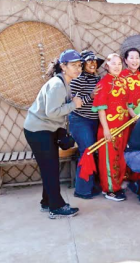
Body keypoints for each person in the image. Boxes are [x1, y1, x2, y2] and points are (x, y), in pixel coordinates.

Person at [24, 49, 83, 219]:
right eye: (73, 65)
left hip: (44, 129)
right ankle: (56, 207)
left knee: (49, 168)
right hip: (38, 130)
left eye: (79, 65)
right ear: (63, 66)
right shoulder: (58, 84)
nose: (78, 69)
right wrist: (74, 105)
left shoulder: (65, 82)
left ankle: (47, 202)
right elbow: (51, 112)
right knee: (50, 168)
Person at [92, 53, 131, 202]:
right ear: (107, 66)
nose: (117, 66)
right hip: (109, 128)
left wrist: (134, 117)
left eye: (119, 63)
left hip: (123, 127)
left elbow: (127, 104)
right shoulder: (103, 83)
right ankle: (109, 189)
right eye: (113, 63)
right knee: (108, 159)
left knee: (120, 158)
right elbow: (101, 109)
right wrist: (106, 130)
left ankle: (117, 184)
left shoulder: (123, 81)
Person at [68, 50, 104, 199]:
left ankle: (90, 185)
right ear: (82, 65)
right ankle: (82, 190)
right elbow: (71, 104)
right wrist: (90, 96)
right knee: (87, 152)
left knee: (93, 152)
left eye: (94, 61)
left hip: (95, 120)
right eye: (89, 61)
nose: (93, 64)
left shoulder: (98, 79)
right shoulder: (77, 80)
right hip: (80, 120)